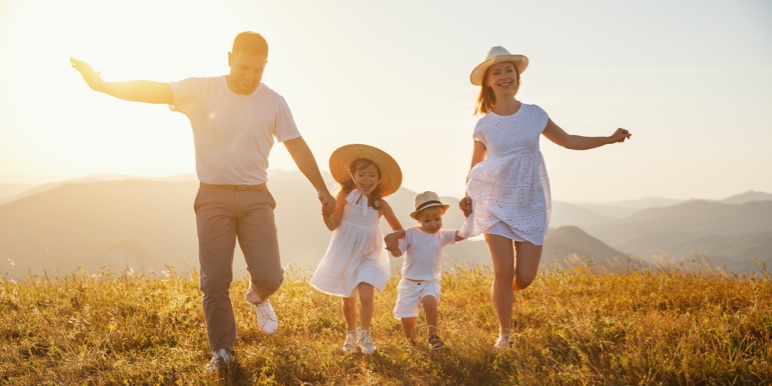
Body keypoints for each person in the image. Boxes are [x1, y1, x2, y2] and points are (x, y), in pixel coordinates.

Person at [70, 31, 337, 371]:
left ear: (266, 66)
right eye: (244, 67)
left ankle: (259, 297)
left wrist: (322, 190)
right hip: (212, 197)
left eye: (258, 69)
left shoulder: (274, 102)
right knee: (214, 281)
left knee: (271, 276)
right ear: (229, 58)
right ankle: (223, 351)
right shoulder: (202, 89)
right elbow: (154, 90)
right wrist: (103, 85)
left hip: (256, 197)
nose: (250, 76)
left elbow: (296, 146)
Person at [458, 46, 632, 350]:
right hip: (495, 203)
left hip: (530, 203)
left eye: (508, 70)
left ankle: (505, 293)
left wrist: (608, 138)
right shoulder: (484, 124)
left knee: (523, 277)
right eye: (496, 72)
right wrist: (468, 197)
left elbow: (568, 141)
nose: (504, 76)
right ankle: (505, 334)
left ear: (517, 76)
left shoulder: (534, 114)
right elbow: (476, 167)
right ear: (488, 81)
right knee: (502, 271)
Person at [309, 144, 404, 354]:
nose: (367, 179)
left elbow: (399, 229)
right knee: (349, 301)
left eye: (372, 175)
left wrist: (394, 236)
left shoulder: (380, 204)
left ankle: (366, 335)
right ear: (353, 175)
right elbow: (333, 225)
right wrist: (326, 214)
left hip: (370, 253)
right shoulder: (344, 197)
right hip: (346, 252)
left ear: (379, 179)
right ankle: (351, 334)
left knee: (367, 295)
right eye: (362, 174)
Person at [384, 191, 465, 351]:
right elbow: (398, 253)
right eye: (427, 221)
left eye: (437, 219)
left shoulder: (442, 235)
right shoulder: (411, 234)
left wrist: (470, 216)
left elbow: (462, 234)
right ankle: (412, 343)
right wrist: (393, 247)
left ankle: (433, 336)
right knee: (407, 319)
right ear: (418, 219)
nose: (433, 224)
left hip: (430, 281)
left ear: (442, 216)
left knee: (430, 303)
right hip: (409, 283)